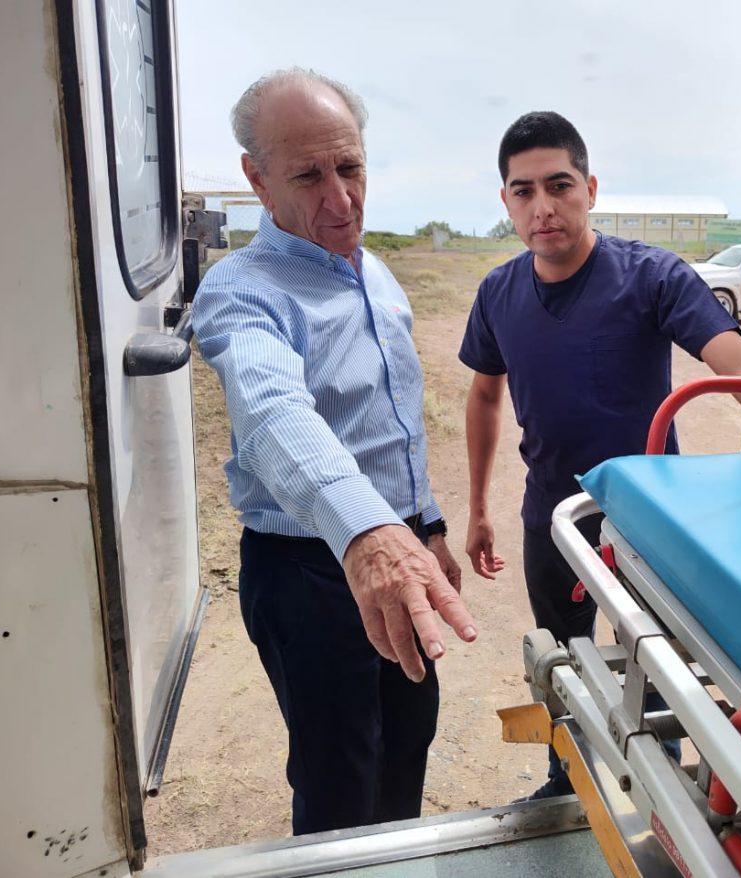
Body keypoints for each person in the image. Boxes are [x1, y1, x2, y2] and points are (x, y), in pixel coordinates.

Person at [459, 111, 741, 798]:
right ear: (506, 202)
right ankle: (567, 780)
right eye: (523, 191)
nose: (542, 207)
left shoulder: (652, 278)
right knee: (565, 656)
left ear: (590, 187)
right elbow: (484, 398)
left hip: (650, 515)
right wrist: (479, 508)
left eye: (559, 185)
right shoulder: (498, 294)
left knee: (656, 657)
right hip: (554, 514)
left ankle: (665, 788)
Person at [193, 68, 477, 835]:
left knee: (408, 738)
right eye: (309, 175)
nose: (341, 199)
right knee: (338, 773)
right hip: (313, 573)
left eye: (350, 168)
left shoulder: (375, 271)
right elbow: (273, 411)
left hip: (398, 543)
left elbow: (393, 416)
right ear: (256, 178)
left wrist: (427, 523)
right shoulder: (243, 290)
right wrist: (368, 531)